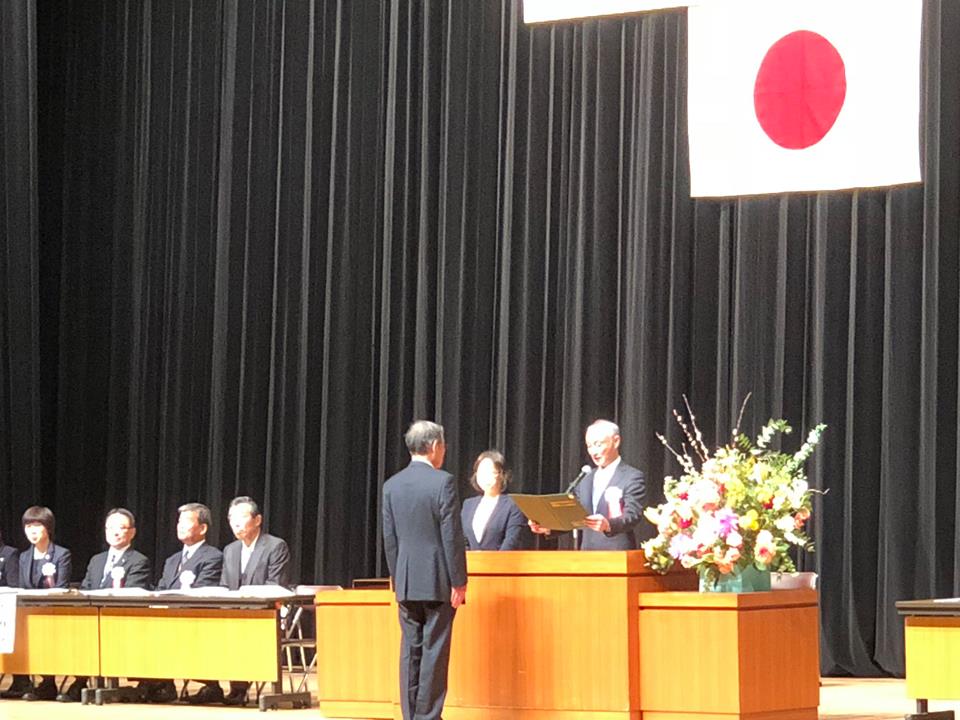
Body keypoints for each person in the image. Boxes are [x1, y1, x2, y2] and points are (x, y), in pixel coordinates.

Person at [382, 420, 467, 720]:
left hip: (406, 581)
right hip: (438, 580)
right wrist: (459, 581)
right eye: (443, 445)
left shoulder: (391, 485)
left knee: (411, 650)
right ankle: (428, 716)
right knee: (435, 651)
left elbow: (390, 539)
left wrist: (398, 578)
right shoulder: (443, 482)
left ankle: (410, 716)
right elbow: (451, 536)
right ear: (433, 446)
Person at [57, 509, 153, 702]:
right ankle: (80, 680)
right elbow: (86, 589)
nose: (115, 532)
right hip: (92, 621)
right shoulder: (97, 560)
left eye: (121, 528)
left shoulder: (138, 560)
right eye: (110, 528)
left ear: (132, 532)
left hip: (121, 622)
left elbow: (132, 596)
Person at [211, 496, 291, 706]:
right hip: (234, 614)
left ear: (257, 520)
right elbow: (224, 586)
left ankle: (241, 687)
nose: (236, 523)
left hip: (264, 613)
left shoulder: (275, 546)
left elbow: (275, 585)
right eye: (231, 518)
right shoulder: (230, 550)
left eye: (242, 517)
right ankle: (216, 685)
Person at [146, 503, 223, 704]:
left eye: (186, 521)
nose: (179, 526)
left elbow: (202, 591)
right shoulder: (172, 560)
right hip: (167, 617)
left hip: (196, 618)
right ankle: (159, 683)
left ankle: (209, 685)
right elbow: (162, 589)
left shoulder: (213, 556)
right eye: (178, 522)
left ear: (203, 528)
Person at [529, 419, 647, 550]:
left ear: (616, 441)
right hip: (587, 554)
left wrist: (608, 524)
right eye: (589, 446)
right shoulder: (586, 478)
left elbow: (632, 515)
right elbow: (574, 517)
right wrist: (549, 527)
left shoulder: (631, 476)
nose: (593, 452)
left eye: (598, 444)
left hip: (617, 553)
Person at [13, 507, 72, 701]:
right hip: (30, 612)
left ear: (48, 528)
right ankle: (35, 681)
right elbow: (22, 587)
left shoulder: (61, 554)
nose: (32, 531)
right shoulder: (24, 557)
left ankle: (49, 681)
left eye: (37, 526)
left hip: (54, 612)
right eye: (28, 526)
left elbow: (62, 587)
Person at [461, 450, 531, 550]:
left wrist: (496, 560)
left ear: (502, 474)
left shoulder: (513, 504)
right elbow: (463, 540)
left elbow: (511, 541)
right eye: (481, 472)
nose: (485, 477)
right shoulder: (468, 504)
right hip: (470, 560)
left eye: (491, 472)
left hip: (502, 559)